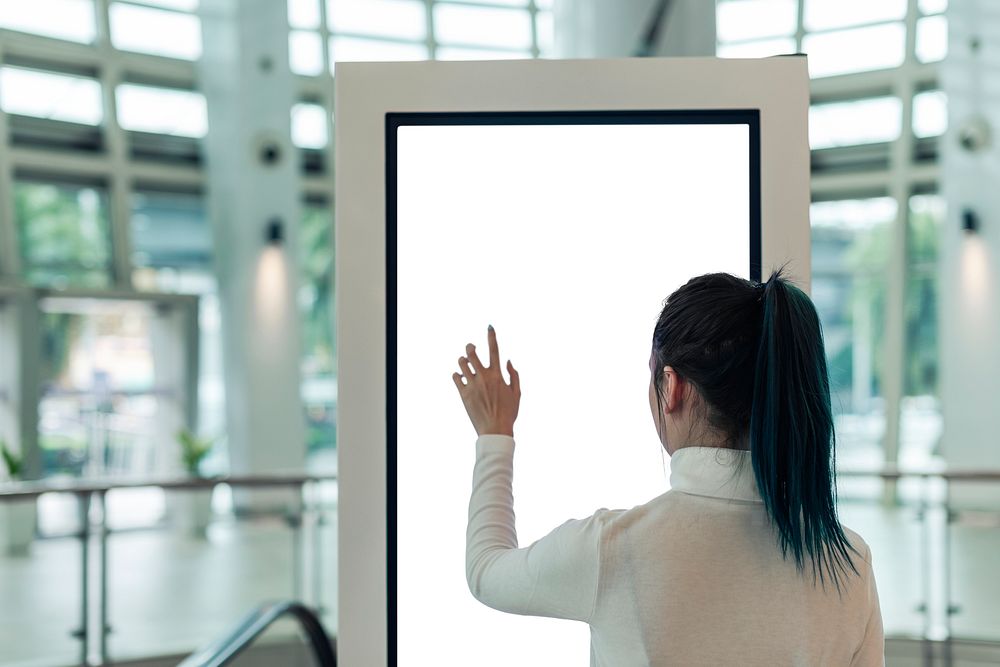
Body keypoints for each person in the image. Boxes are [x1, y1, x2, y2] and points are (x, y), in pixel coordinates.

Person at [451, 270, 884, 666]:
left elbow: (487, 570)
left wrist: (494, 435)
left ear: (672, 387)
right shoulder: (850, 564)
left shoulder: (613, 548)